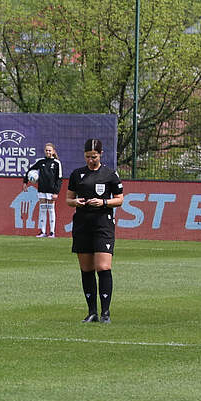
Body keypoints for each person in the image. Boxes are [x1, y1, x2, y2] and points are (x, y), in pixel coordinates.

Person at [64, 138, 125, 323]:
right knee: (86, 268)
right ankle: (92, 312)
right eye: (88, 157)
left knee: (103, 267)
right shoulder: (77, 174)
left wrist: (104, 202)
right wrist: (76, 202)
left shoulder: (109, 174)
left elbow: (120, 199)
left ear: (101, 154)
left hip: (103, 224)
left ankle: (106, 312)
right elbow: (68, 198)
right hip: (82, 224)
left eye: (94, 156)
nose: (91, 160)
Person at [23, 142, 64, 238]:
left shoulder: (57, 163)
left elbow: (59, 179)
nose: (48, 152)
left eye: (50, 150)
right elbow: (30, 170)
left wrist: (56, 192)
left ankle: (52, 232)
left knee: (51, 210)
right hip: (42, 189)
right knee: (42, 210)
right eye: (46, 150)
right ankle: (42, 231)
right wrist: (25, 182)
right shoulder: (41, 162)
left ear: (53, 151)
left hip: (51, 191)